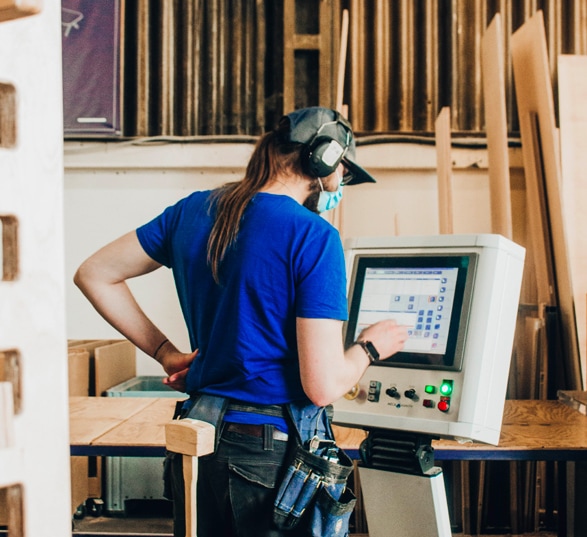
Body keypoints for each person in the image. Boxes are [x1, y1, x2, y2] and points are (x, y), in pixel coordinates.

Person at [74, 106, 408, 537]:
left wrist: (165, 353)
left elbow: (95, 273)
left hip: (199, 433)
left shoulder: (193, 211)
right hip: (265, 450)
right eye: (343, 172)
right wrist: (369, 348)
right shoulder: (312, 235)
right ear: (322, 159)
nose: (341, 183)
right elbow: (322, 385)